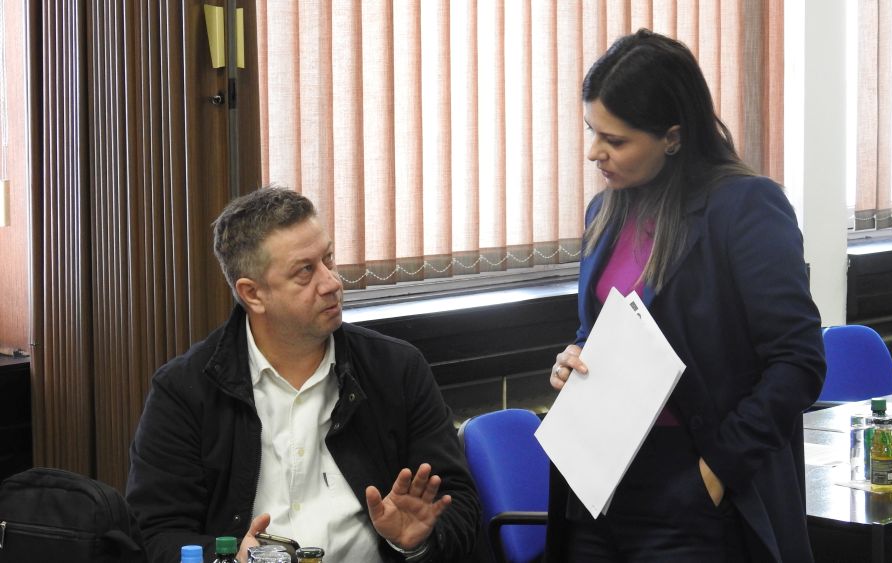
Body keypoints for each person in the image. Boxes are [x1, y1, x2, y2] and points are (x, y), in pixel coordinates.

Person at [546, 30, 825, 563]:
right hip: (598, 481)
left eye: (615, 140)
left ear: (672, 137)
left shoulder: (745, 208)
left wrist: (716, 471)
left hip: (694, 479)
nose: (594, 153)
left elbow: (799, 361)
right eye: (591, 131)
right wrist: (575, 359)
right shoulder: (604, 212)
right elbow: (602, 330)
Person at [126, 187, 481, 563]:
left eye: (328, 259)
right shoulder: (185, 391)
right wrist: (227, 558)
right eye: (305, 271)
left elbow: (458, 503)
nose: (331, 283)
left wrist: (415, 543)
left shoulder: (396, 369)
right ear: (253, 294)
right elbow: (155, 533)